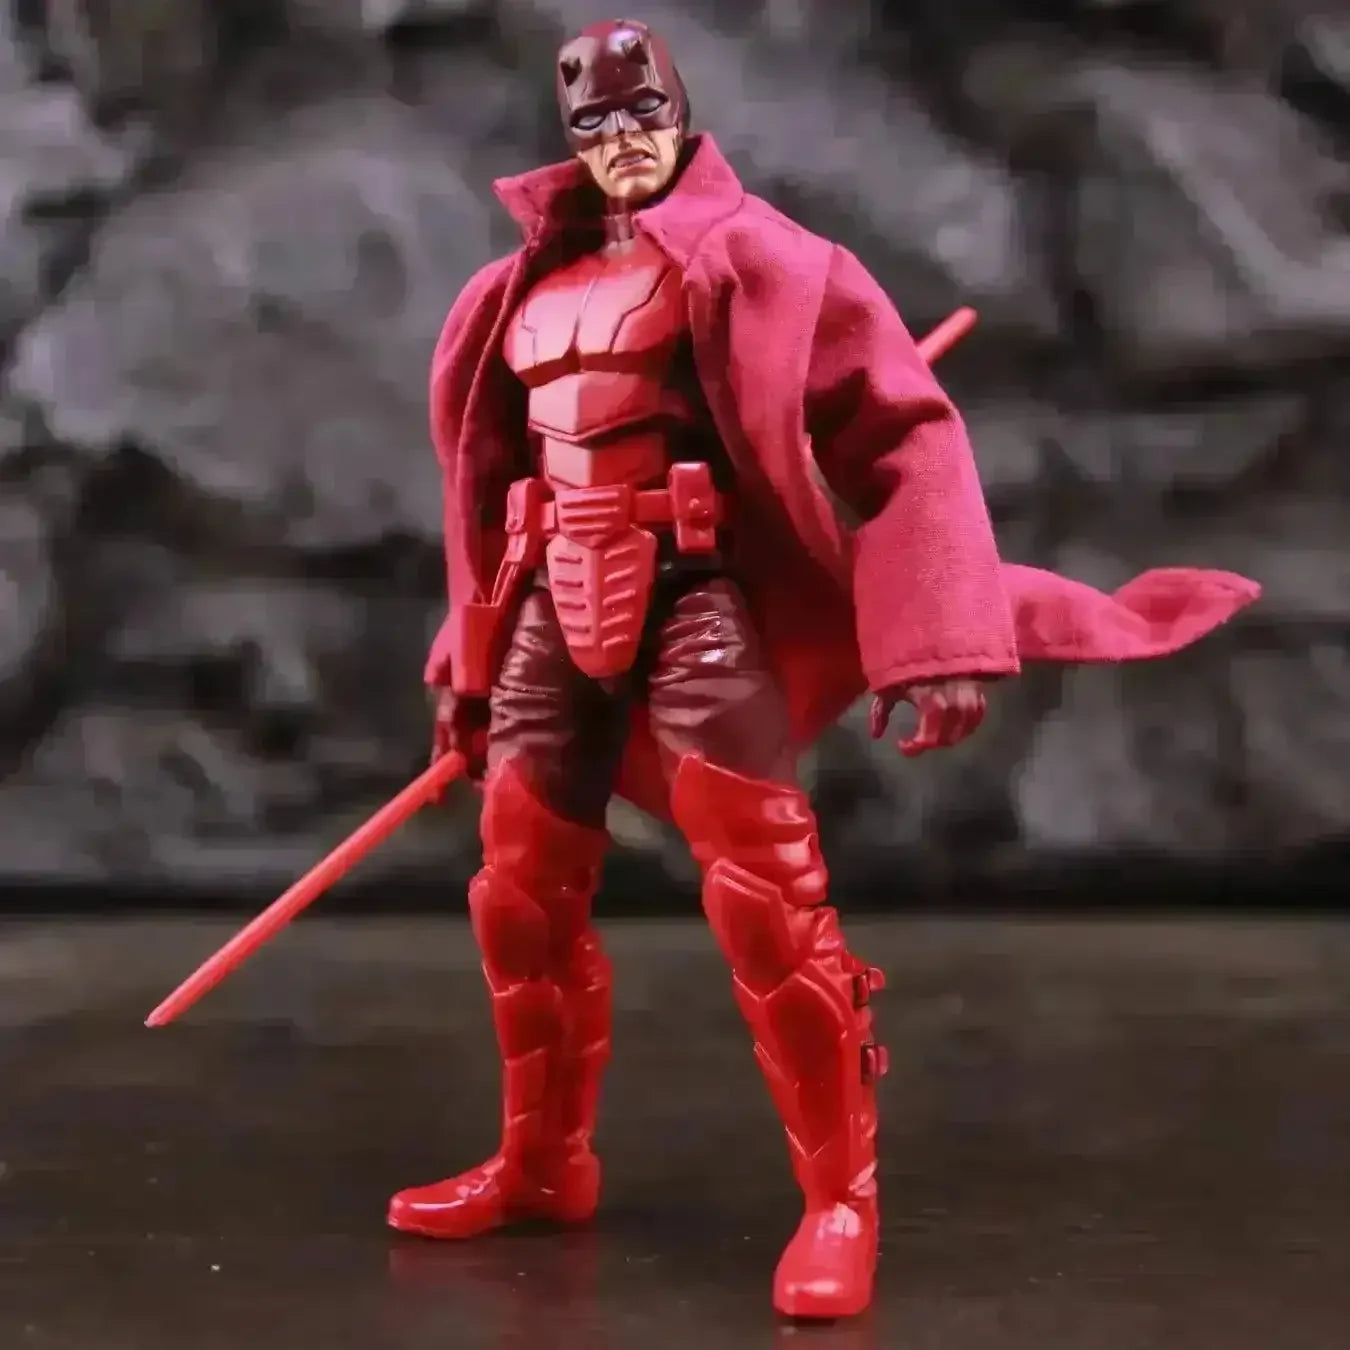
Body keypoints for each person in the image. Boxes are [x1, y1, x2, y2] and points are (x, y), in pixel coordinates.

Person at [386, 18, 1259, 1320]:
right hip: (548, 602)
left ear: (679, 114)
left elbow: (906, 438)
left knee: (767, 903)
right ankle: (541, 1161)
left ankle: (839, 1198)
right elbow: (485, 487)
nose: (622, 143)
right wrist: (467, 659)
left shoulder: (769, 262)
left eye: (641, 115)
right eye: (595, 124)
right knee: (515, 896)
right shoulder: (509, 292)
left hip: (693, 592)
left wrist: (932, 636)